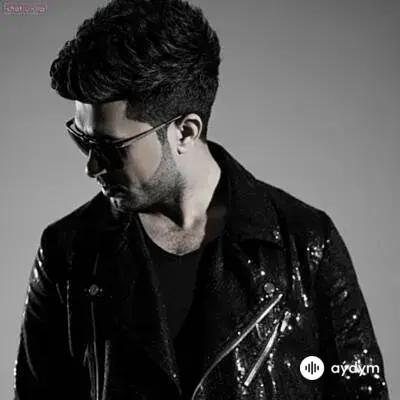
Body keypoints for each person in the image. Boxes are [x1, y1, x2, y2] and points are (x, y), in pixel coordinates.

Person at [14, 0, 389, 399]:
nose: (91, 167)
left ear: (186, 131)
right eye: (81, 139)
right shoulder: (69, 252)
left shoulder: (304, 243)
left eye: (110, 148)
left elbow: (362, 390)